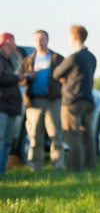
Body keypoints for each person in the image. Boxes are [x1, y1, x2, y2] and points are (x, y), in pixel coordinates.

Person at [52, 25, 97, 172]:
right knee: (87, 136)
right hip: (88, 100)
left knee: (72, 136)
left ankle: (74, 168)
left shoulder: (74, 57)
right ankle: (90, 166)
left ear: (74, 37)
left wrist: (65, 79)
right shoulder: (92, 57)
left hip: (72, 101)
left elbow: (56, 73)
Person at [19, 30, 66, 171]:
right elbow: (19, 79)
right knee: (34, 135)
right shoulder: (28, 60)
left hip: (53, 101)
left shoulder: (57, 58)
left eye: (42, 39)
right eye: (36, 40)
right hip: (34, 102)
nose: (39, 42)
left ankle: (58, 165)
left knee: (55, 134)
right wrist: (28, 77)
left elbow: (67, 77)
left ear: (47, 40)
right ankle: (35, 166)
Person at [1, 32, 29, 174]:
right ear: (7, 41)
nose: (15, 45)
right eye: (13, 41)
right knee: (1, 140)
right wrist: (17, 77)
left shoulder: (11, 60)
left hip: (12, 106)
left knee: (7, 141)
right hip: (2, 106)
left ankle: (2, 171)